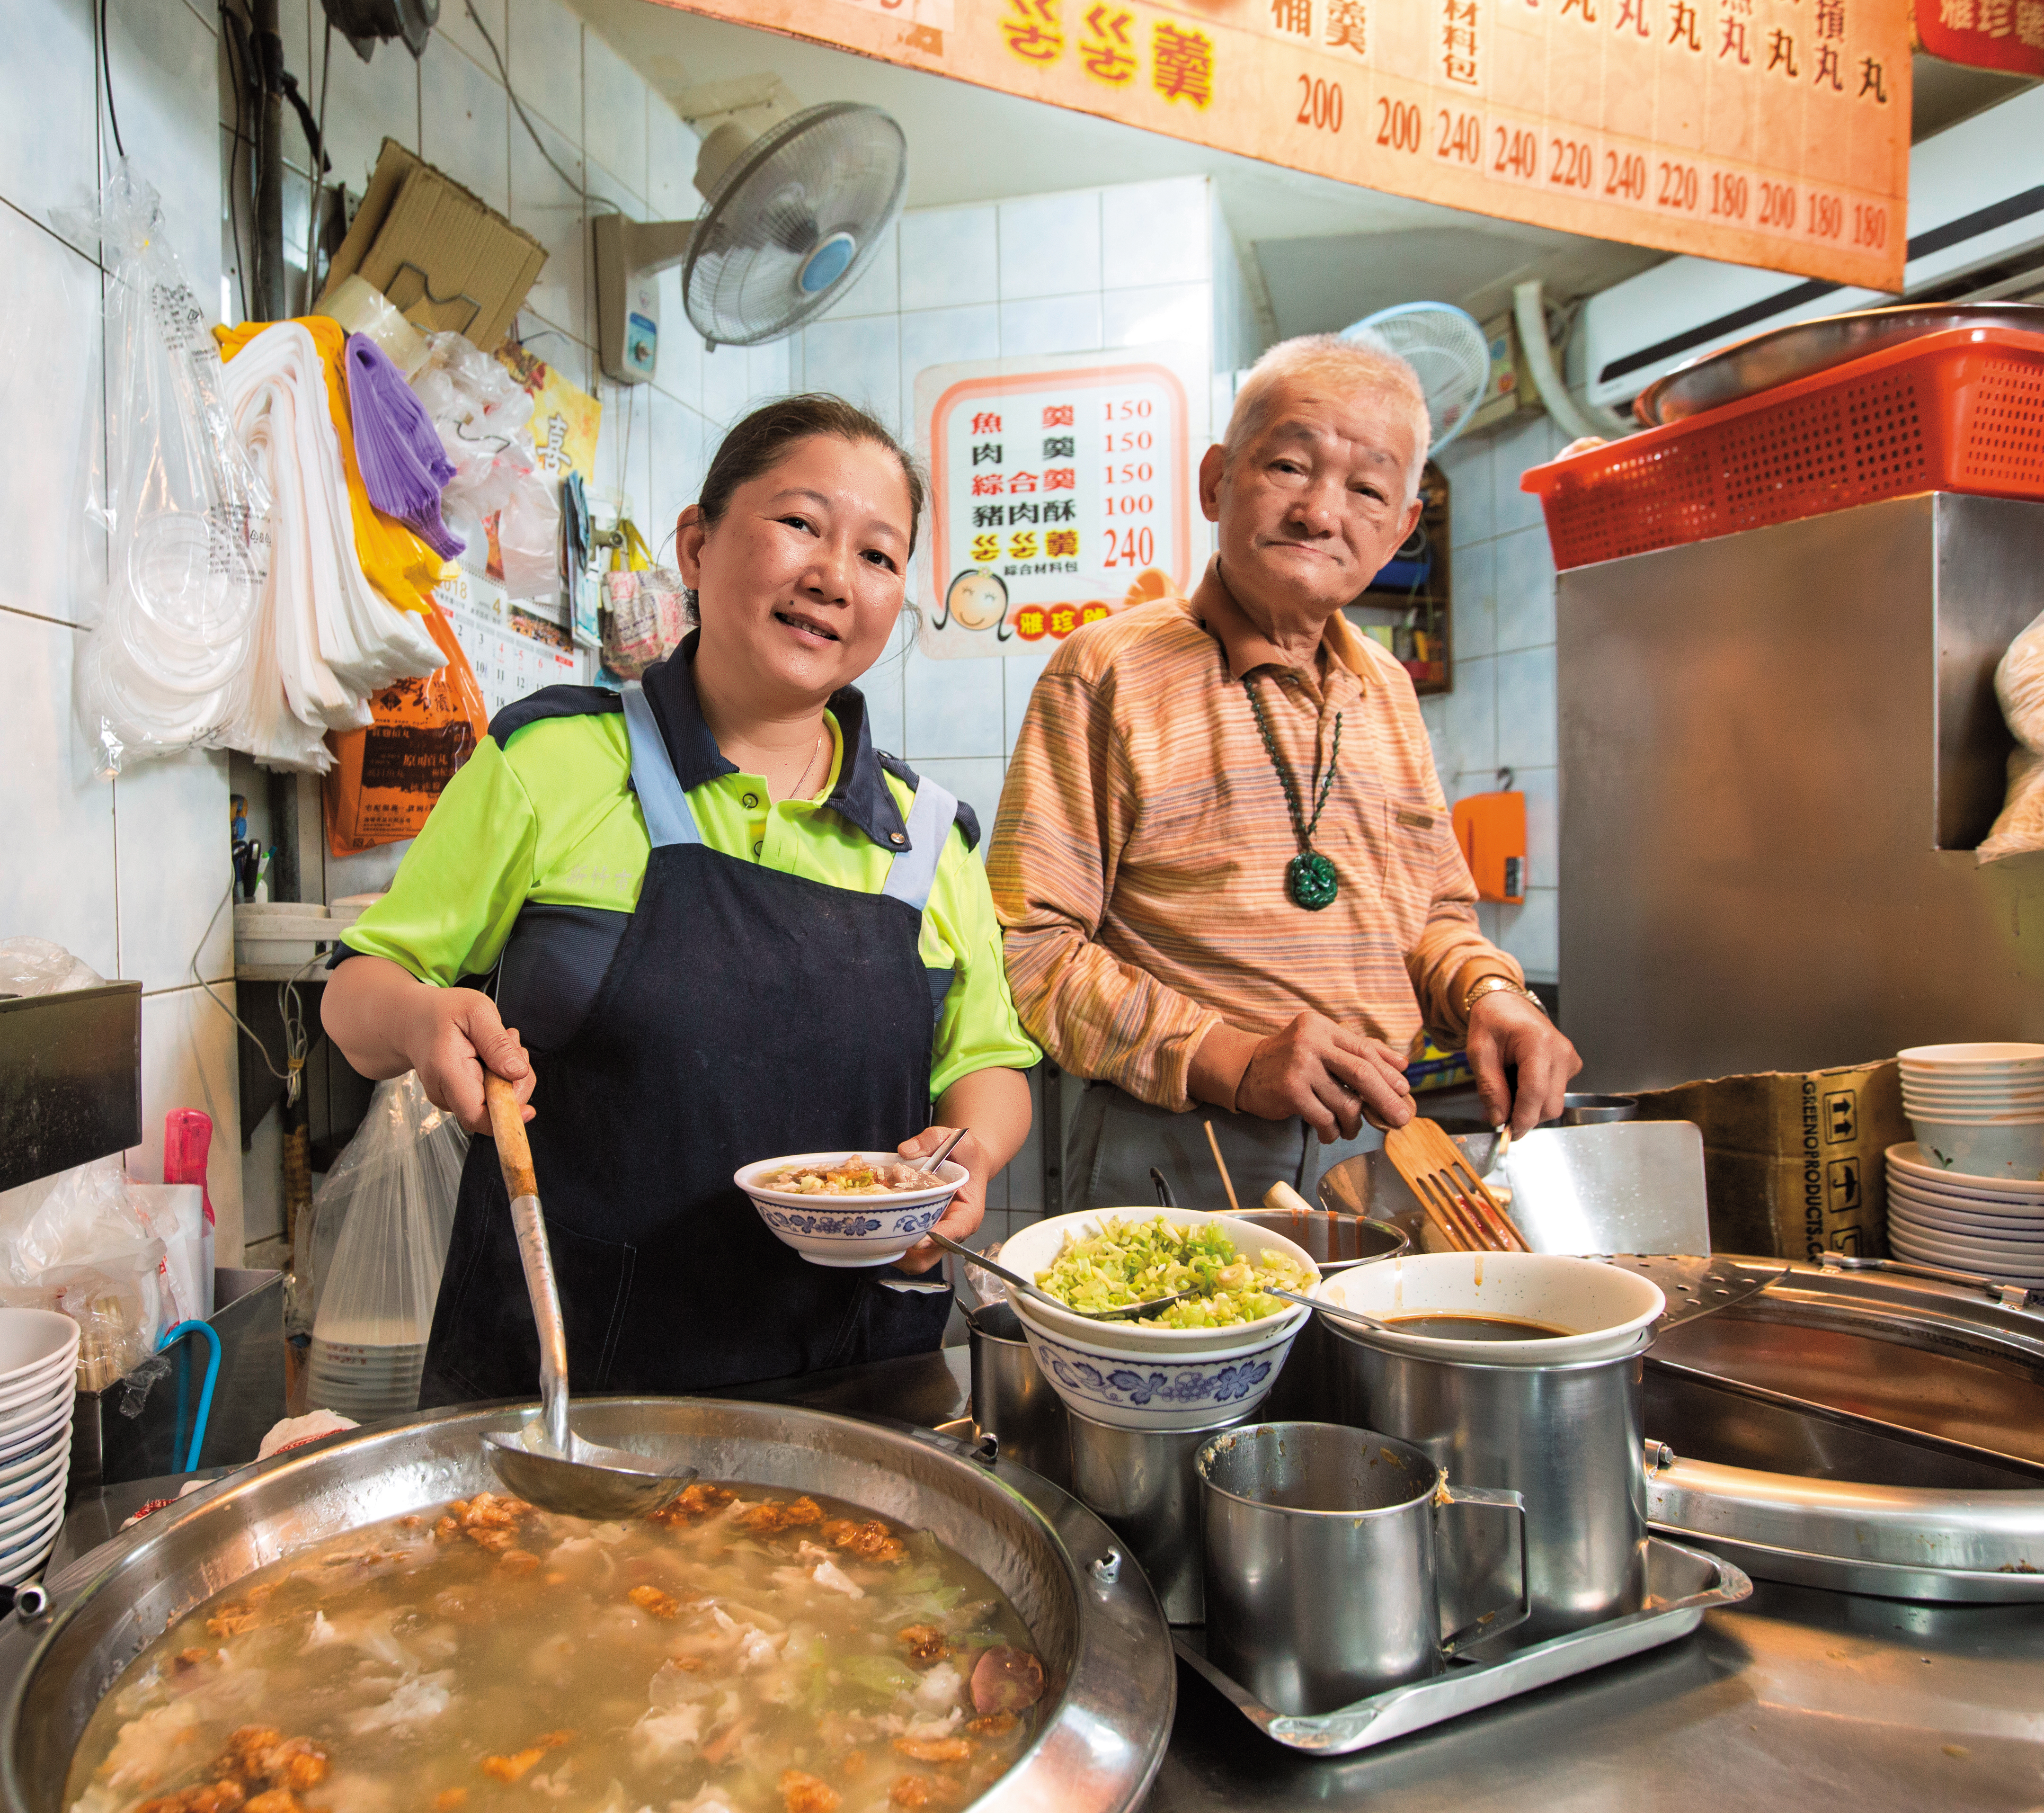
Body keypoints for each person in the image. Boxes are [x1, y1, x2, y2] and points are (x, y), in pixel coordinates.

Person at [324, 395, 1039, 1405]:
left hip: (855, 1379)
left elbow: (991, 1063)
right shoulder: (558, 760)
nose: (835, 576)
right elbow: (358, 998)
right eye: (800, 524)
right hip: (572, 1388)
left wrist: (967, 1156)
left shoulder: (929, 838)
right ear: (696, 546)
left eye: (880, 556)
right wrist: (420, 1015)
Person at [990, 335, 1582, 1214]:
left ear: (1401, 528)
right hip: (1174, 1148)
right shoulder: (1106, 669)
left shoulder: (1385, 689)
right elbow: (1026, 947)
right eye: (1289, 466)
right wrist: (1236, 1057)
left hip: (1380, 1146)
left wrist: (1492, 993)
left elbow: (1437, 914)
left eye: (1367, 489)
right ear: (1216, 480)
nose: (1319, 511)